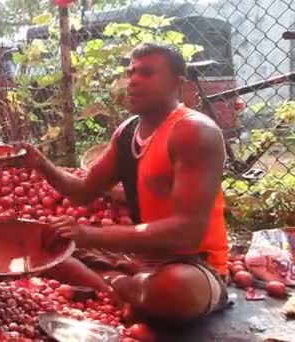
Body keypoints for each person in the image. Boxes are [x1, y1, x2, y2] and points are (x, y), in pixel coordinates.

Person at [20, 42, 230, 323]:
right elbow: (83, 192)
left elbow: (187, 233)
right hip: (142, 257)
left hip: (194, 264)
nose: (133, 81)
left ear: (178, 85)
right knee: (39, 243)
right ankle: (124, 283)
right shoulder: (127, 132)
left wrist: (87, 234)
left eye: (146, 73)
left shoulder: (194, 131)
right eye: (131, 72)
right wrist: (42, 165)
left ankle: (114, 283)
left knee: (176, 288)